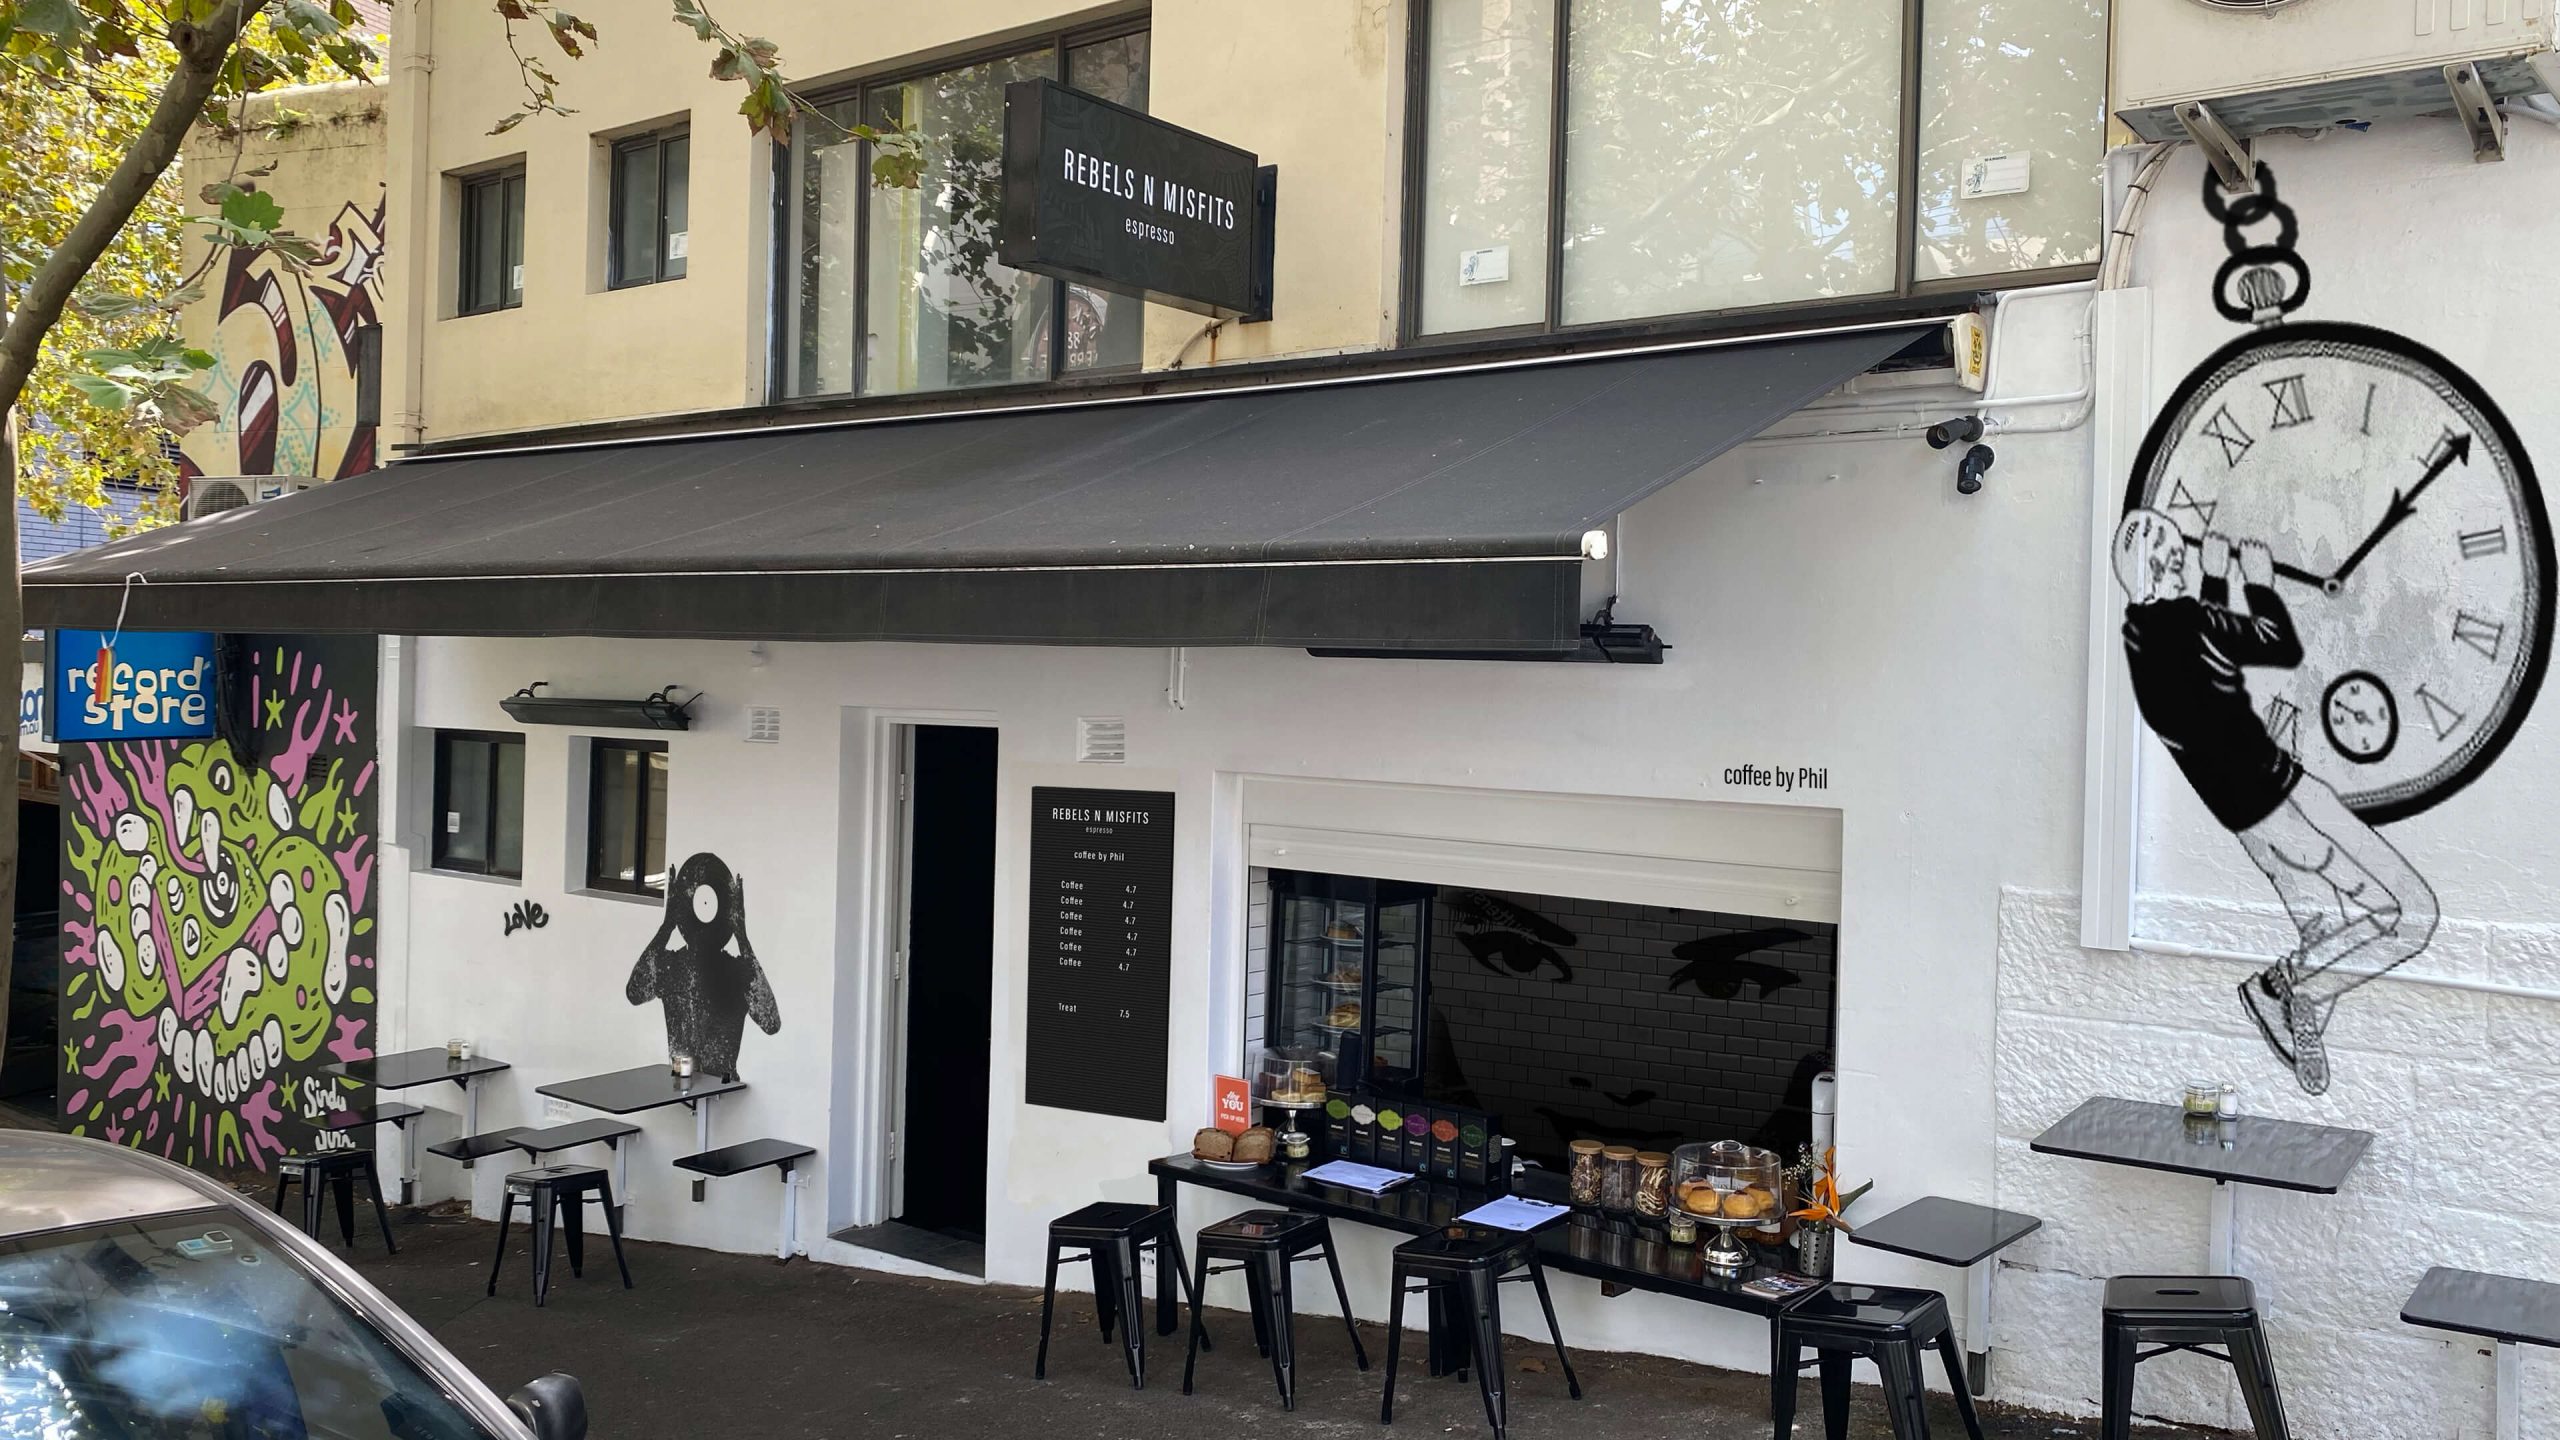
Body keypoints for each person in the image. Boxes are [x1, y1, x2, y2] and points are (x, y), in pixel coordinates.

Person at [2113, 508, 2438, 1094]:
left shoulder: (2141, 642)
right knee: (2413, 914)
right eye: (2176, 555)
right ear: (2157, 569)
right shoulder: (2186, 623)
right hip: (2285, 800)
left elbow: (2208, 674)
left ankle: (2289, 996)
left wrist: (2217, 582)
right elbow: (2279, 645)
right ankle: (2284, 987)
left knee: (2325, 933)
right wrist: (2258, 583)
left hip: (2249, 820)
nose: (2184, 562)